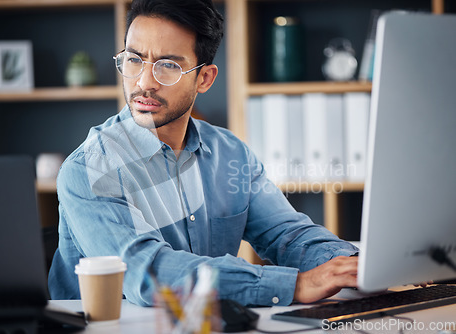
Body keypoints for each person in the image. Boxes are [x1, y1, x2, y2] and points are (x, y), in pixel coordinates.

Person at [48, 0, 359, 306]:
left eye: (167, 65)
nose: (144, 82)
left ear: (205, 78)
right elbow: (147, 272)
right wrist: (295, 284)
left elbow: (287, 234)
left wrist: (355, 266)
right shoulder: (89, 169)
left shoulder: (231, 153)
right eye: (133, 59)